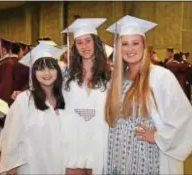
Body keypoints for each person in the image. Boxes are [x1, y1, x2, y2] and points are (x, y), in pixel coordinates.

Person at [105, 15, 192, 175]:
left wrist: (158, 137)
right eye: (125, 44)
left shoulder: (160, 77)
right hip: (117, 156)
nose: (130, 49)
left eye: (135, 43)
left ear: (144, 46)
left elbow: (184, 118)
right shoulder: (117, 79)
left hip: (145, 157)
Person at [0, 43, 77, 174]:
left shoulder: (67, 98)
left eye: (51, 68)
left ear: (58, 70)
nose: (46, 73)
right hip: (34, 166)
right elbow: (11, 138)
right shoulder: (24, 101)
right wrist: (11, 169)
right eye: (41, 69)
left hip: (62, 166)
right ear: (33, 73)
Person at [61, 18, 111, 175]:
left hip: (101, 139)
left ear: (95, 43)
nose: (84, 46)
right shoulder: (66, 76)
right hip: (73, 140)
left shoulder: (110, 76)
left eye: (88, 41)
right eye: (79, 42)